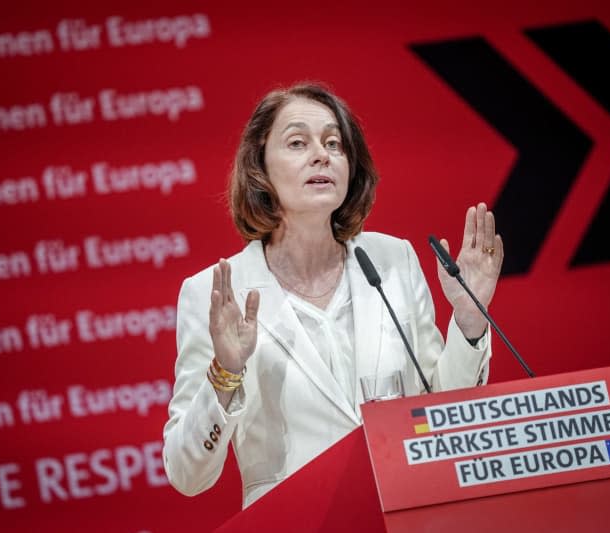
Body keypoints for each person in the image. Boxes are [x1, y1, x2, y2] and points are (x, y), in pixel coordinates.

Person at [162, 83, 504, 508]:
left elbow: (444, 415)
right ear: (260, 167)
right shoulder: (214, 292)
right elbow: (186, 473)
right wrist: (226, 373)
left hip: (408, 513)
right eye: (298, 142)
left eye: (333, 143)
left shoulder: (393, 260)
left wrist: (470, 320)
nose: (321, 154)